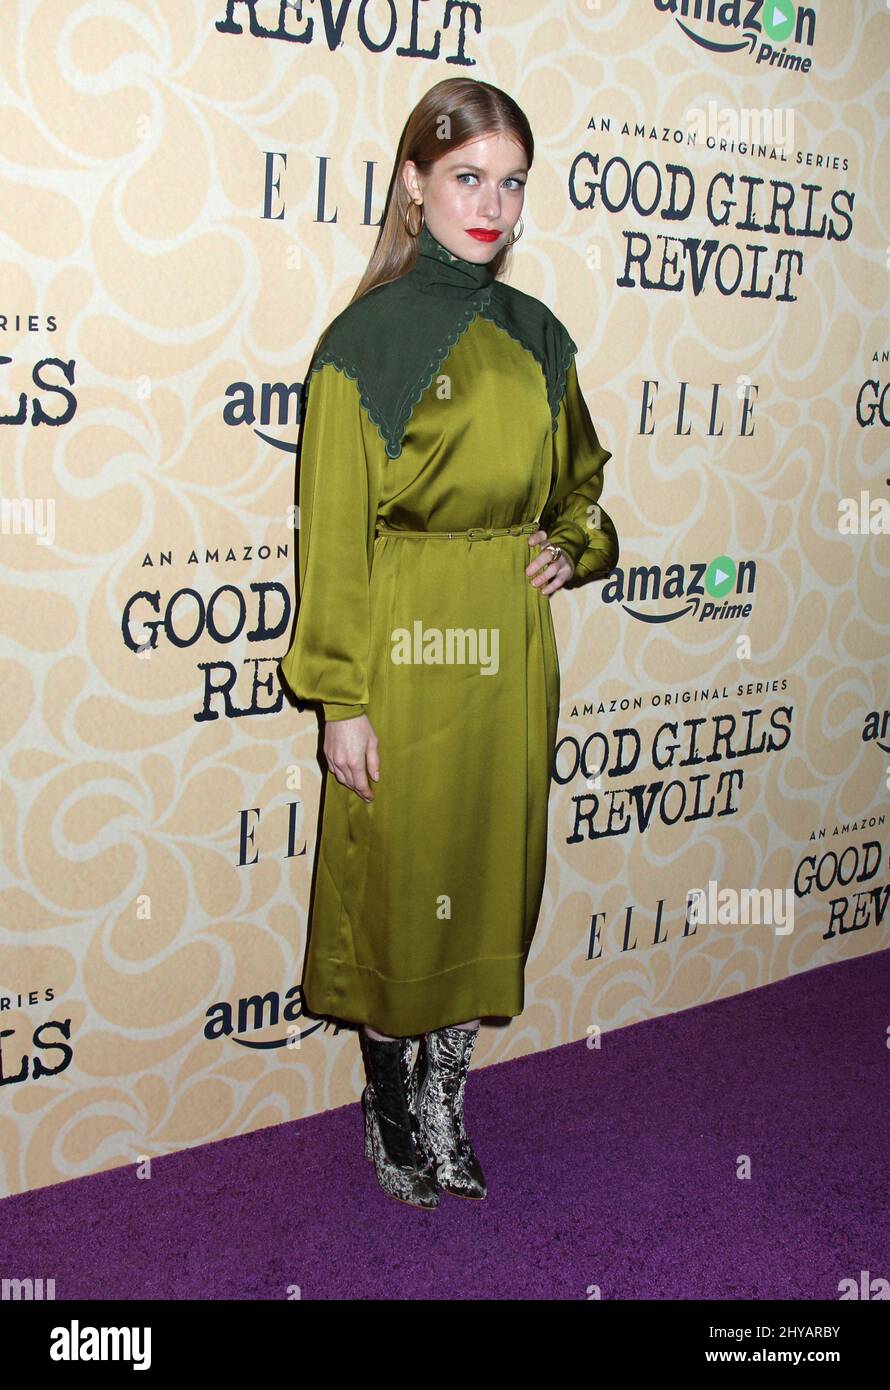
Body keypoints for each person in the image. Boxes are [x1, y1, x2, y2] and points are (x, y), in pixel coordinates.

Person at [281, 77, 619, 1211]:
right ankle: (387, 1102)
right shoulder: (360, 343)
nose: (491, 202)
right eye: (467, 176)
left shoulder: (539, 337)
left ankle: (444, 1103)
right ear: (414, 184)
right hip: (401, 654)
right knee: (398, 889)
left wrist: (573, 546)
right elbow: (331, 537)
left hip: (508, 651)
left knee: (480, 878)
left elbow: (586, 492)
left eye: (510, 180)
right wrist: (340, 697)